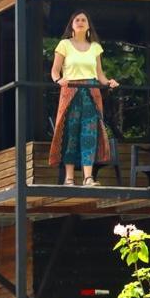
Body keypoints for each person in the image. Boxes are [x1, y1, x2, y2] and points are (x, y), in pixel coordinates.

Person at [48, 11, 119, 185]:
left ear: (88, 26)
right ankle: (69, 178)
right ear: (72, 25)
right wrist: (59, 80)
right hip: (70, 90)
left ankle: (88, 177)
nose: (80, 22)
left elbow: (99, 74)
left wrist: (108, 82)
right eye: (77, 20)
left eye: (83, 20)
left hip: (91, 92)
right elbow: (55, 71)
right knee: (70, 133)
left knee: (90, 132)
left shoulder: (95, 47)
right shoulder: (64, 44)